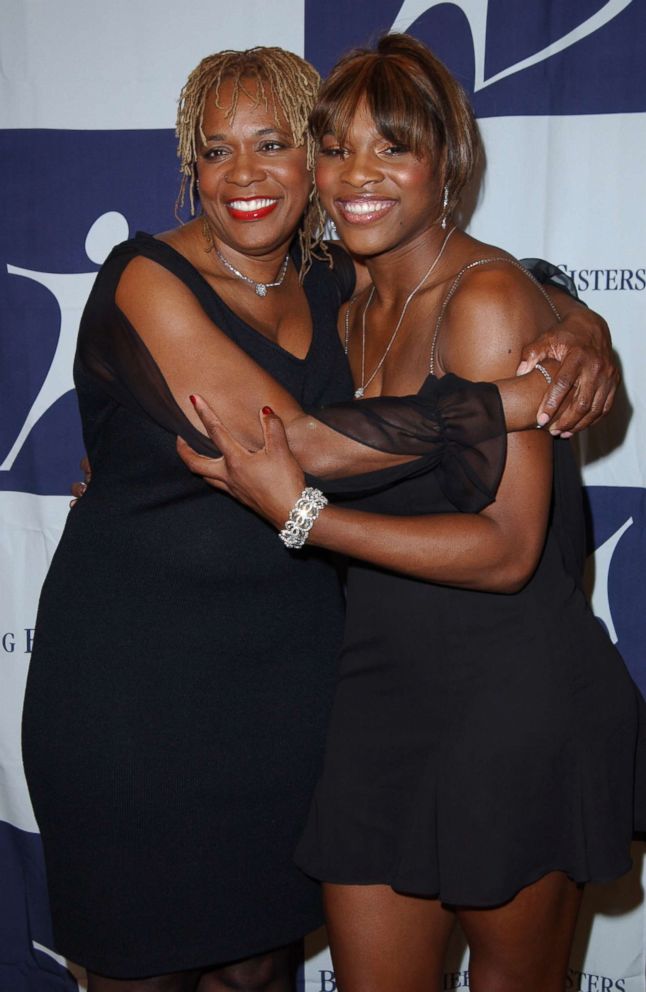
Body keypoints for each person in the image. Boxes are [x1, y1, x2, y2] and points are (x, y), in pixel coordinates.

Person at [27, 41, 616, 992]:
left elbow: (472, 274)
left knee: (260, 971)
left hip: (295, 698)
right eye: (217, 151)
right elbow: (286, 439)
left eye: (274, 144)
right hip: (136, 697)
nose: (246, 174)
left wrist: (575, 318)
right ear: (191, 167)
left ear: (309, 162)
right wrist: (492, 402)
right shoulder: (147, 278)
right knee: (143, 968)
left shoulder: (333, 280)